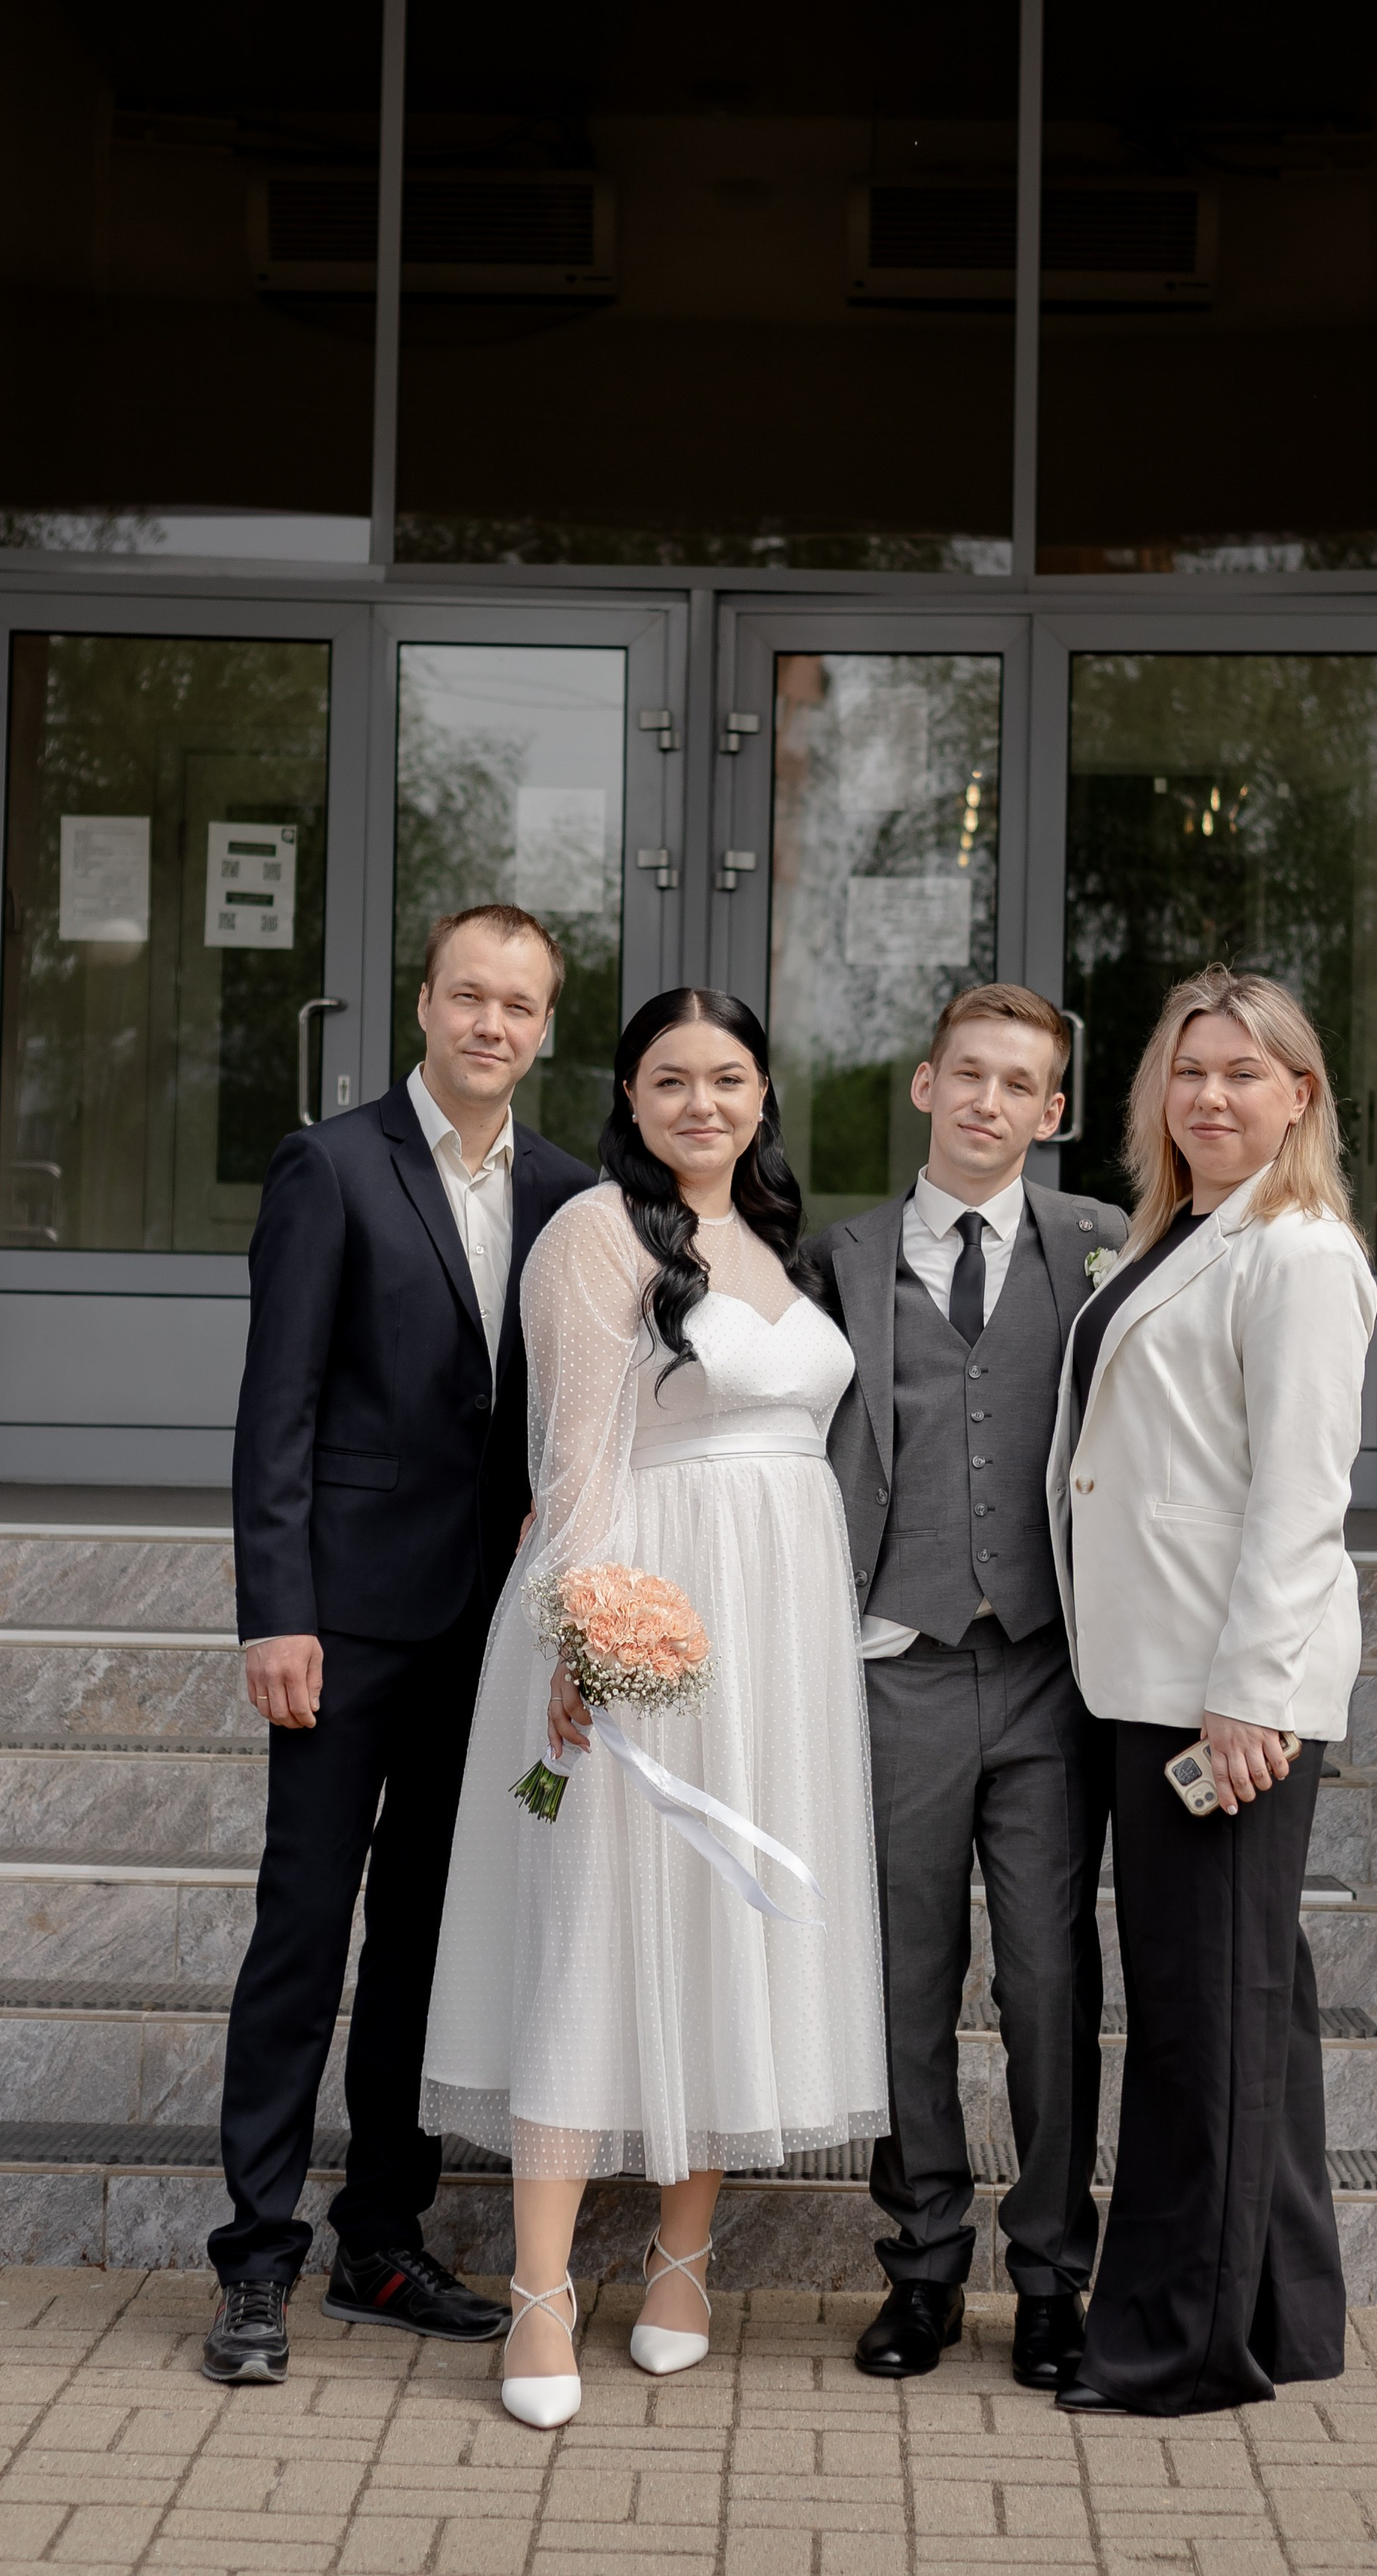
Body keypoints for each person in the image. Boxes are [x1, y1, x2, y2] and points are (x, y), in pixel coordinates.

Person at [422, 988, 886, 2433]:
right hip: (646, 1615)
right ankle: (544, 2288)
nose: (702, 1103)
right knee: (592, 1925)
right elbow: (571, 1459)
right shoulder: (593, 1235)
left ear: (762, 1097)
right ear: (628, 1098)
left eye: (729, 1078)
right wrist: (583, 1631)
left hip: (782, 1636)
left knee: (726, 1919)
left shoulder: (780, 1245)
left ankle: (684, 2259)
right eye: (671, 1080)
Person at [202, 904, 595, 2386]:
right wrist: (275, 1610)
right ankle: (253, 2263)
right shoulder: (332, 1165)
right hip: (343, 1628)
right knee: (303, 1937)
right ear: (421, 1006)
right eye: (468, 997)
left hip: (485, 1640)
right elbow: (276, 1409)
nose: (491, 1025)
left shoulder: (569, 1192)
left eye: (519, 1005)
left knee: (427, 1946)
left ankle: (380, 2237)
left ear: (545, 1029)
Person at [1045, 964, 1377, 2419]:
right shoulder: (1178, 1234)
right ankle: (1288, 2315)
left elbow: (1301, 1499)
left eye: (1246, 1073)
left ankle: (1182, 2348)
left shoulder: (1298, 1252)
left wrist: (1251, 1696)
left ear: (1299, 1096)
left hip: (1220, 1695)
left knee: (1205, 2025)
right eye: (1191, 1072)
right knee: (1253, 2013)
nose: (1213, 1096)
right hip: (1145, 1669)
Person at [806, 985, 1128, 2393]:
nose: (993, 1101)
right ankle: (924, 2268)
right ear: (926, 1086)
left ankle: (1054, 2278)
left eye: (1023, 1085)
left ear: (1053, 1116)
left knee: (1053, 1983)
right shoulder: (842, 1261)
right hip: (902, 1672)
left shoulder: (1110, 1250)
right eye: (970, 1075)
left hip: (1055, 1672)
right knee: (907, 1981)